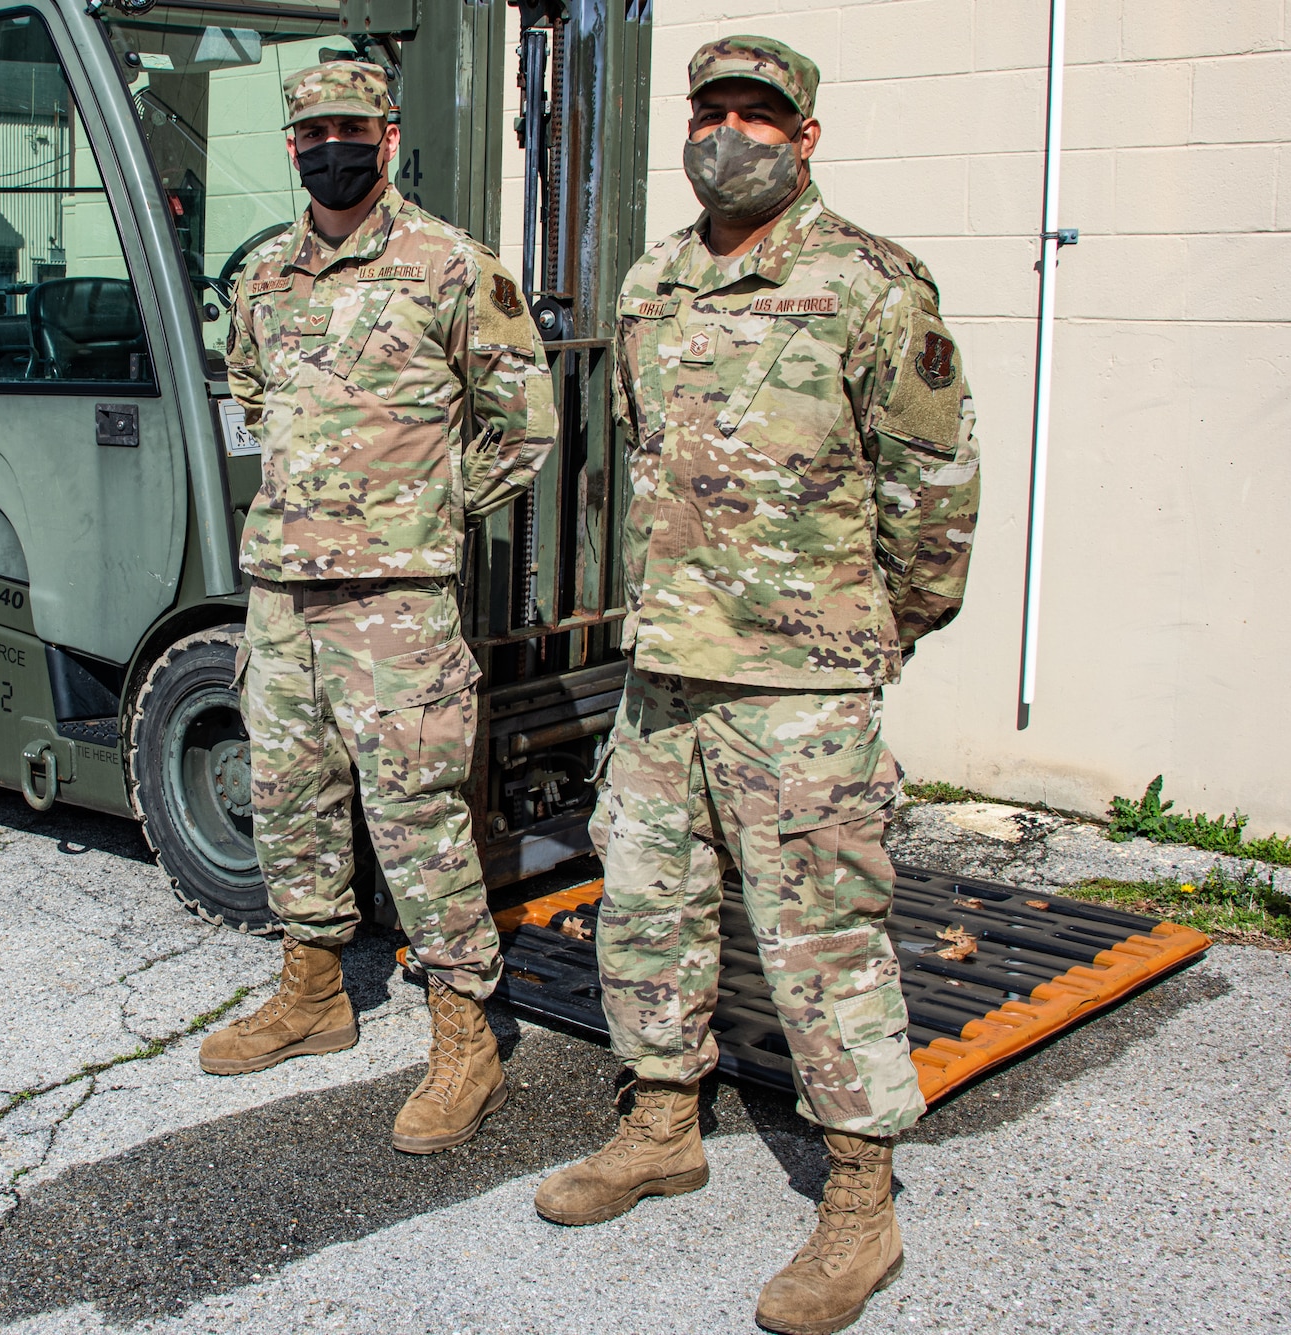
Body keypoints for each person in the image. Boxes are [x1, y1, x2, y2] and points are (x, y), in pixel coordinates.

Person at [530, 35, 981, 1335]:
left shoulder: (870, 282)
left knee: (824, 929)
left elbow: (936, 489)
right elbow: (639, 446)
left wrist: (876, 631)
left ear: (806, 140)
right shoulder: (655, 280)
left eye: (760, 116)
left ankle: (860, 1193)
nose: (733, 132)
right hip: (668, 664)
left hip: (801, 683)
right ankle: (664, 1118)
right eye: (714, 109)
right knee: (650, 901)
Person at [198, 60, 557, 1156]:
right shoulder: (262, 277)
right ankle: (312, 992)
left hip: (395, 602)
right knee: (292, 795)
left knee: (415, 811)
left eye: (348, 128)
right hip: (282, 594)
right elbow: (252, 394)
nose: (328, 146)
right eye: (309, 132)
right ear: (291, 146)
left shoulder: (450, 267)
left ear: (387, 139)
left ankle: (464, 1032)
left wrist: (424, 507)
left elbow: (524, 424)